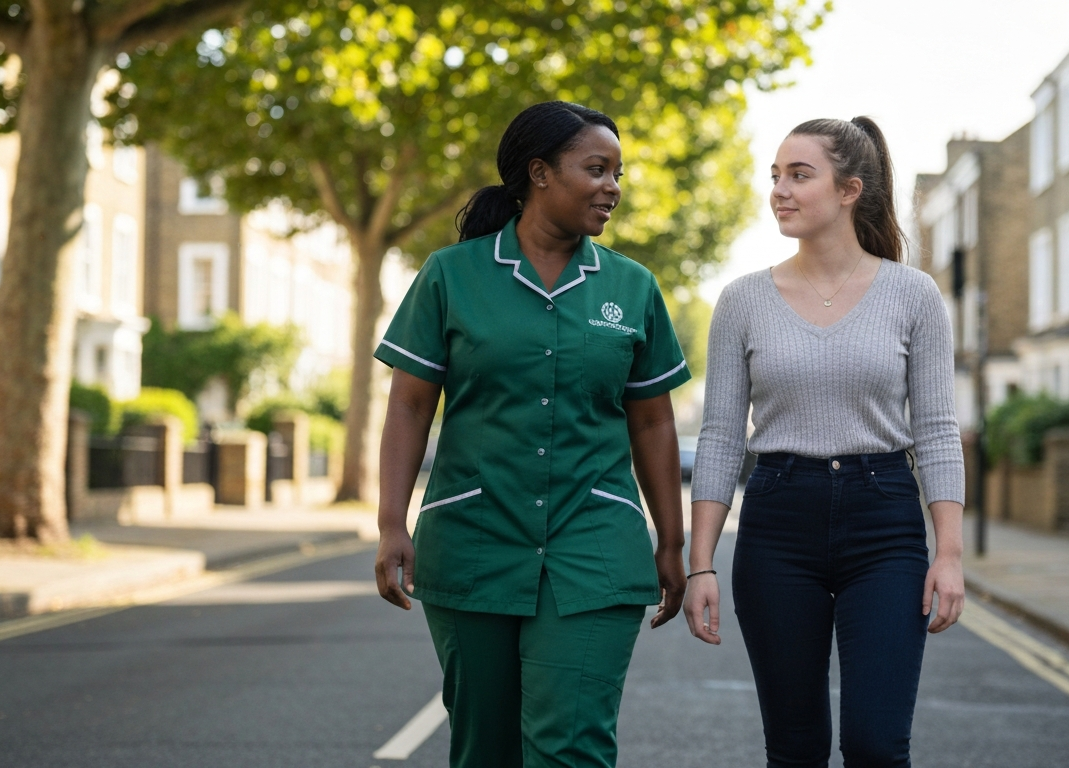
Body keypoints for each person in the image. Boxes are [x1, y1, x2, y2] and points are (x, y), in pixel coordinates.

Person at [372, 100, 693, 768]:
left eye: (618, 173)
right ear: (540, 173)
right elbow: (408, 406)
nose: (613, 187)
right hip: (473, 540)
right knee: (484, 747)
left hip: (594, 543)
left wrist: (671, 540)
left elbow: (653, 419)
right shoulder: (450, 275)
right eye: (596, 169)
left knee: (571, 746)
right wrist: (390, 523)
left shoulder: (633, 287)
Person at [682, 117, 966, 768]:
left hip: (884, 523)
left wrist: (948, 554)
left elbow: (937, 431)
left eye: (799, 175)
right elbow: (721, 437)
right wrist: (701, 564)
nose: (779, 190)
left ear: (848, 190)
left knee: (876, 745)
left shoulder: (913, 295)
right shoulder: (743, 300)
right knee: (796, 748)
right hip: (778, 522)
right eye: (775, 176)